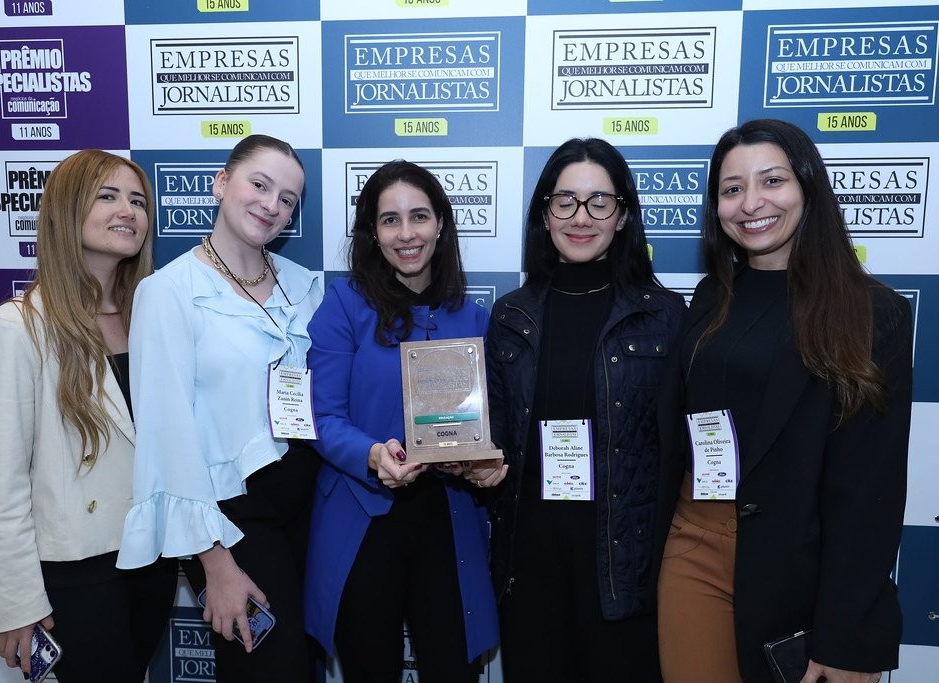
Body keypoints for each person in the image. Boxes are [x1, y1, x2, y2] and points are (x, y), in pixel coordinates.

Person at [654, 119, 912, 683]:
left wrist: (847, 637)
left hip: (799, 567)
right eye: (732, 189)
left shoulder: (872, 313)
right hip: (694, 543)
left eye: (772, 181)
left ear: (807, 187)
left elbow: (870, 492)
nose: (751, 203)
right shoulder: (712, 296)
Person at [116, 134, 323, 682]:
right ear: (221, 183)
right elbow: (166, 436)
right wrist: (214, 561)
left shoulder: (303, 287)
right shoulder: (168, 292)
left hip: (312, 508)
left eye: (287, 199)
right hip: (236, 522)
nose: (271, 205)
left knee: (307, 666)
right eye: (260, 185)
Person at [484, 138, 684, 682]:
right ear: (544, 213)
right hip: (528, 563)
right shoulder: (510, 316)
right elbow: (495, 434)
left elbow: (678, 453)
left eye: (600, 202)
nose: (580, 217)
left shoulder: (665, 316)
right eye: (565, 200)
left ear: (622, 216)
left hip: (623, 566)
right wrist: (475, 461)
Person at [0, 149, 177, 682]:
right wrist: (17, 600)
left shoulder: (150, 321)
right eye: (107, 197)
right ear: (67, 211)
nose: (128, 211)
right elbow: (1, 483)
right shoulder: (15, 328)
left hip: (152, 557)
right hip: (76, 569)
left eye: (138, 201)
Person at [304, 160, 504, 683]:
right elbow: (322, 416)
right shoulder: (344, 305)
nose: (406, 233)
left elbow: (487, 425)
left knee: (455, 670)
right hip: (363, 516)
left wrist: (483, 461)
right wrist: (372, 455)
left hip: (449, 519)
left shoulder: (473, 317)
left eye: (419, 216)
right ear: (373, 232)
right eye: (390, 220)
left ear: (441, 223)